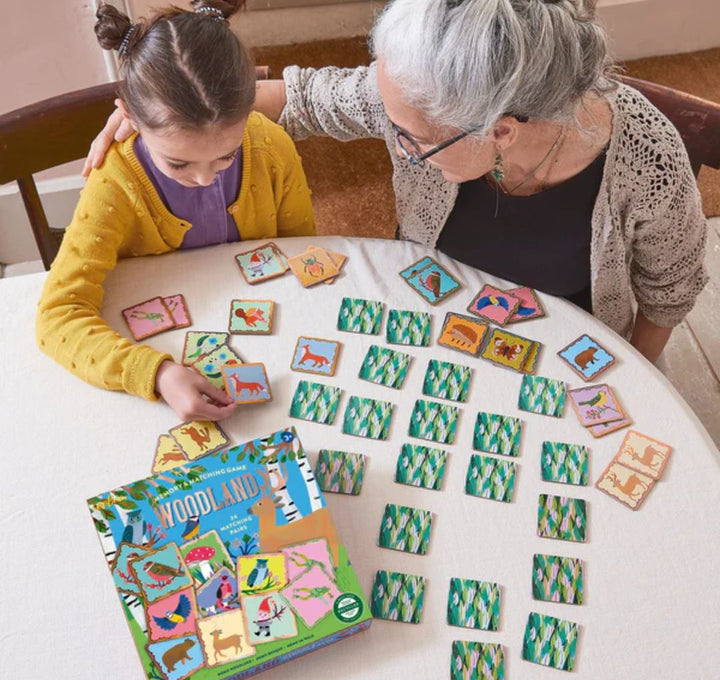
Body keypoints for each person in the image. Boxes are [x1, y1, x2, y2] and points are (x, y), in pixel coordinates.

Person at [85, 0, 708, 364]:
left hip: (566, 343)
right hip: (434, 316)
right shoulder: (413, 101)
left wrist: (639, 374)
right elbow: (304, 99)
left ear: (500, 132)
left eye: (410, 137)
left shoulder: (645, 160)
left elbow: (669, 292)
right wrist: (162, 113)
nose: (397, 143)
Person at [37, 0, 315, 421]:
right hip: (155, 358)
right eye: (179, 163)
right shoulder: (115, 183)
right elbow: (57, 316)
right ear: (127, 116)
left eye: (226, 155)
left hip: (265, 346)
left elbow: (303, 258)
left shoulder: (272, 147)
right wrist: (158, 374)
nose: (205, 178)